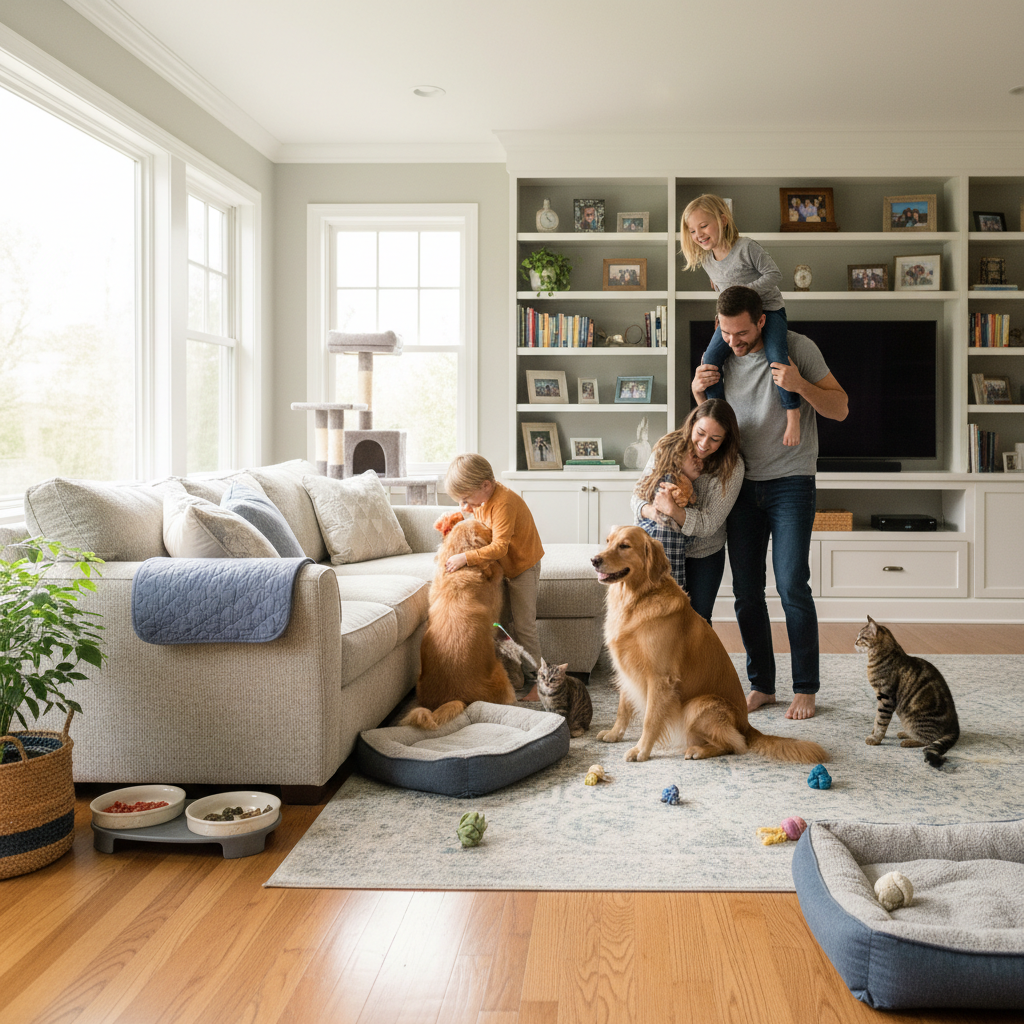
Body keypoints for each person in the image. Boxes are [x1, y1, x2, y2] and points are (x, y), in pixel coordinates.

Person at [692, 285, 849, 720]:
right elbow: (713, 426)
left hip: (791, 483)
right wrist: (698, 394)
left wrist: (800, 386)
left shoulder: (798, 348)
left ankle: (805, 688)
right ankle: (762, 684)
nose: (733, 341)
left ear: (762, 321)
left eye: (741, 333)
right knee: (745, 591)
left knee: (792, 584)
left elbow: (840, 409)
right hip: (739, 485)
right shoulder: (721, 357)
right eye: (725, 332)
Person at [681, 193, 801, 448]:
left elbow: (774, 273)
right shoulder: (706, 259)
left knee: (777, 356)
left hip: (769, 309)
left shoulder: (746, 247)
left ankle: (793, 412)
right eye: (692, 230)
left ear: (722, 220)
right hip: (733, 319)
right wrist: (722, 318)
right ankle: (718, 418)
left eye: (703, 226)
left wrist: (746, 295)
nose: (698, 234)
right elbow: (721, 290)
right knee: (709, 361)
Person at [630, 399, 744, 623]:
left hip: (704, 553)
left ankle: (698, 660)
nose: (703, 444)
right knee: (657, 617)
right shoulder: (667, 447)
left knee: (697, 621)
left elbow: (709, 524)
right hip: (660, 548)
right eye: (700, 433)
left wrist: (672, 510)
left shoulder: (732, 465)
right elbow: (637, 497)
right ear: (692, 424)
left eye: (714, 439)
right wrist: (653, 512)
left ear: (726, 440)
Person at [444, 453, 546, 700]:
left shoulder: (504, 503)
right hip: (502, 569)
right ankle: (515, 677)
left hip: (522, 568)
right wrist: (467, 511)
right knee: (502, 623)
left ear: (485, 486)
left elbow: (499, 546)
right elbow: (482, 531)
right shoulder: (482, 502)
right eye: (461, 500)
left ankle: (538, 683)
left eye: (466, 498)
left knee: (524, 626)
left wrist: (465, 558)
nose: (464, 504)